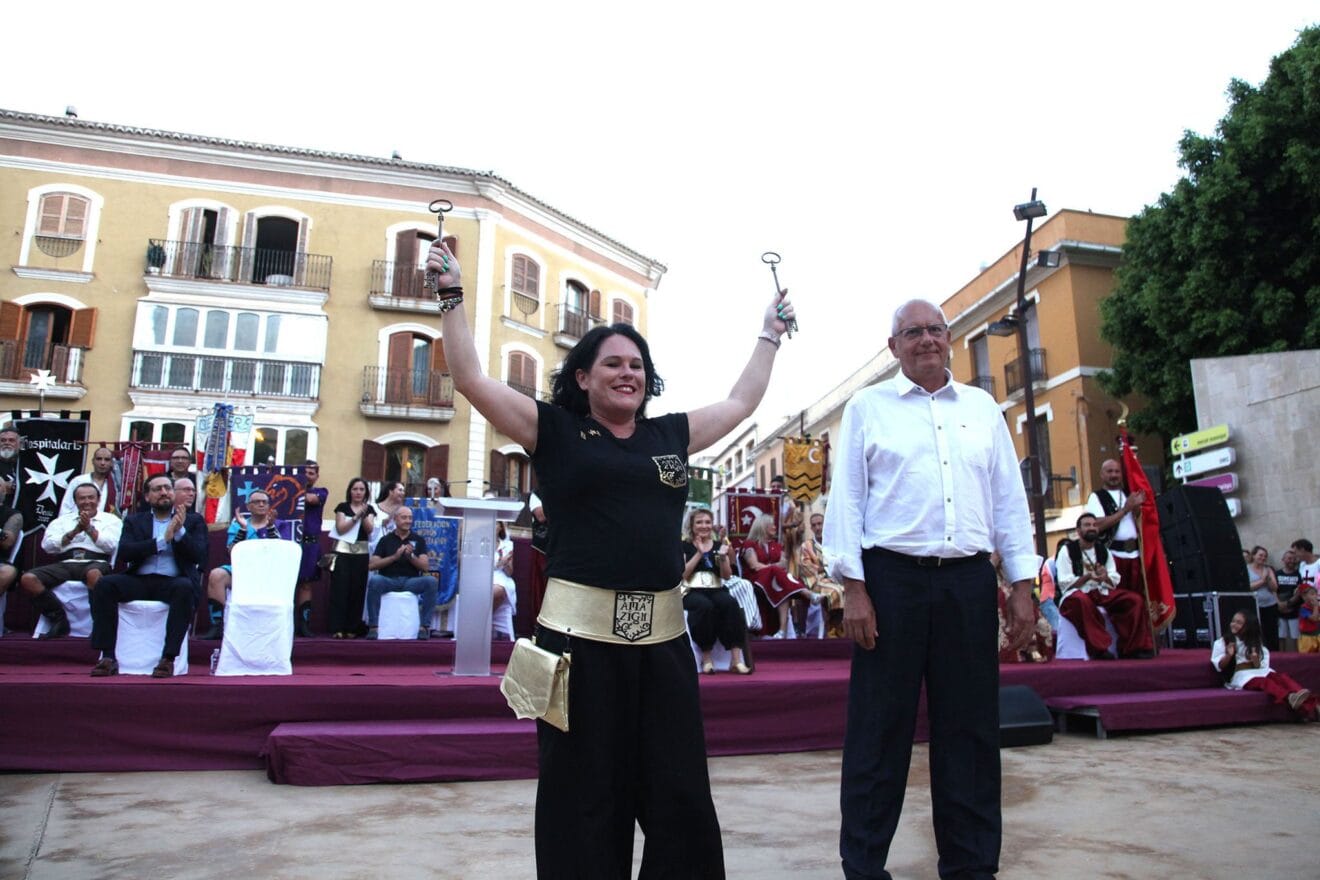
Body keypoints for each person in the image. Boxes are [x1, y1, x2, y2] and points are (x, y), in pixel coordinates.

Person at [425, 236, 793, 878]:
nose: (629, 373)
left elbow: (740, 403)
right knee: (583, 803)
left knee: (680, 799)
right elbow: (471, 379)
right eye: (614, 363)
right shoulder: (554, 430)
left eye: (638, 365)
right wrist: (452, 296)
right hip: (578, 649)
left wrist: (768, 335)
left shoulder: (669, 435)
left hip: (664, 649)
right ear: (583, 378)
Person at [822, 298, 1037, 880]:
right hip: (890, 582)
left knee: (969, 731)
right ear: (893, 347)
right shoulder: (868, 408)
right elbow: (847, 502)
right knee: (878, 730)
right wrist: (854, 589)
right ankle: (864, 866)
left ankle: (971, 866)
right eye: (912, 332)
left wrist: (1022, 583)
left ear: (949, 339)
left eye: (935, 330)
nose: (926, 340)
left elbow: (1009, 505)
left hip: (968, 582)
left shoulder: (983, 408)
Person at [89, 474, 208, 678]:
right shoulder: (135, 520)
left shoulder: (193, 520)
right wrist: (161, 542)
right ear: (147, 496)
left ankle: (168, 659)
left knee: (185, 588)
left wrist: (179, 533)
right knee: (105, 585)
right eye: (157, 489)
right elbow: (125, 552)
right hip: (140, 580)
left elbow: (199, 555)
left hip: (172, 582)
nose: (164, 492)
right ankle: (107, 657)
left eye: (167, 488)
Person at [21, 482, 122, 638]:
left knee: (94, 575)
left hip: (95, 562)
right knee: (28, 579)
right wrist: (74, 532)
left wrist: (89, 529)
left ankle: (99, 625)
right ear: (75, 501)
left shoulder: (111, 520)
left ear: (99, 499)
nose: (87, 501)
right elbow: (47, 546)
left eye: (91, 498)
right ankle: (58, 620)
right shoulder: (62, 521)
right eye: (82, 498)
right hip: (66, 563)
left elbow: (111, 545)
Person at [1053, 513, 1154, 660]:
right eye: (1087, 525)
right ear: (1079, 531)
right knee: (1082, 601)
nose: (1092, 528)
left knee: (1134, 600)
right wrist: (1088, 577)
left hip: (1100, 592)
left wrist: (1104, 576)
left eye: (1094, 525)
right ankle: (1099, 649)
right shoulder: (1067, 551)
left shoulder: (1103, 551)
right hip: (1075, 594)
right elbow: (1064, 583)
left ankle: (1133, 647)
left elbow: (1114, 579)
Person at [199, 489, 283, 640]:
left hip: (268, 573)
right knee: (216, 575)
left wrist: (270, 526)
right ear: (248, 506)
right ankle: (218, 625)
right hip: (241, 571)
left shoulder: (278, 524)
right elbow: (231, 552)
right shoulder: (238, 524)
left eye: (264, 502)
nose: (261, 505)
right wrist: (243, 529)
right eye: (257, 502)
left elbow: (277, 551)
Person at [1212, 610, 1319, 721]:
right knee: (1264, 682)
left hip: (1259, 671)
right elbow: (1219, 666)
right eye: (1233, 621)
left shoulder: (1256, 642)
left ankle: (1300, 696)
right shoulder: (1223, 642)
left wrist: (1255, 660)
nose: (1234, 624)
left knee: (1281, 678)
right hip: (1241, 675)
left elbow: (1261, 666)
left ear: (1248, 626)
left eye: (1239, 622)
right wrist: (1229, 655)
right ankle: (1292, 698)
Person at [682, 507, 750, 674]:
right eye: (699, 522)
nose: (704, 526)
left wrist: (723, 557)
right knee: (704, 607)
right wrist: (699, 553)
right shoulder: (684, 545)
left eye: (707, 522)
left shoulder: (719, 545)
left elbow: (727, 576)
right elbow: (682, 574)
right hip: (692, 590)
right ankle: (707, 659)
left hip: (716, 588)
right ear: (692, 525)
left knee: (730, 604)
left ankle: (735, 661)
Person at [1085, 458, 1150, 625]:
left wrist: (1137, 510)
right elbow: (1096, 525)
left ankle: (1141, 643)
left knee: (1139, 601)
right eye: (1110, 471)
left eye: (1117, 471)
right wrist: (1125, 510)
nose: (1114, 475)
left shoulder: (1129, 494)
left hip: (1135, 556)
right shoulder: (1096, 497)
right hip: (1114, 557)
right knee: (1121, 603)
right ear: (1102, 474)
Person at [743, 512, 819, 638]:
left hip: (774, 581)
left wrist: (774, 568)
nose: (774, 527)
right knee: (776, 573)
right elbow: (754, 566)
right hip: (756, 580)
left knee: (781, 585)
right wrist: (773, 567)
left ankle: (782, 630)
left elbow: (784, 564)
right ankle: (806, 593)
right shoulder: (750, 544)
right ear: (762, 526)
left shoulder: (776, 546)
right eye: (771, 525)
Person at [365, 506, 435, 640]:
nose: (408, 521)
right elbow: (372, 565)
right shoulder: (385, 540)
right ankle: (373, 626)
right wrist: (394, 557)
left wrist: (411, 557)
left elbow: (425, 567)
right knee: (375, 581)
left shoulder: (418, 540)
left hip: (411, 581)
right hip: (388, 580)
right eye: (404, 517)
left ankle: (424, 627)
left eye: (410, 518)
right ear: (396, 519)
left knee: (431, 581)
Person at [327, 477, 375, 639]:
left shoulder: (369, 509)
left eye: (361, 489)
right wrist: (355, 517)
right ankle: (337, 627)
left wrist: (363, 515)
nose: (358, 492)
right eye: (355, 489)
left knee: (357, 590)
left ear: (366, 492)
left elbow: (369, 530)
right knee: (340, 589)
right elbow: (341, 529)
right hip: (342, 553)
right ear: (350, 491)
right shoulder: (342, 507)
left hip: (361, 554)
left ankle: (352, 628)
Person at [294, 460, 328, 637]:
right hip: (290, 541)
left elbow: (311, 500)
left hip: (309, 542)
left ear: (316, 476)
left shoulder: (321, 492)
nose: (307, 476)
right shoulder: (288, 489)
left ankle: (304, 624)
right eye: (304, 472)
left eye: (311, 473)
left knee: (306, 585)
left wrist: (294, 486)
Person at [58, 446, 119, 517]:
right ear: (93, 461)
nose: (102, 463)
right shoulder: (79, 481)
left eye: (107, 460)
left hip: (103, 525)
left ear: (112, 463)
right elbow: (66, 508)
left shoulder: (115, 485)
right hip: (77, 524)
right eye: (99, 459)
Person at [1247, 546, 1280, 651]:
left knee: (1271, 631)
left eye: (1265, 556)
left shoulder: (1268, 569)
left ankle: (1273, 651)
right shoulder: (1246, 568)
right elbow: (1248, 587)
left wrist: (1268, 579)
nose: (1263, 558)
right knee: (1255, 630)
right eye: (1260, 555)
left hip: (1270, 604)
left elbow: (1274, 588)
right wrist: (1262, 580)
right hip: (1254, 605)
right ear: (1253, 555)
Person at [492, 520, 517, 639]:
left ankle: (481, 622)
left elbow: (510, 572)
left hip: (501, 576)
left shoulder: (508, 545)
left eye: (497, 523)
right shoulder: (480, 542)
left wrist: (506, 563)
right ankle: (485, 623)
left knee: (499, 591)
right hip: (483, 575)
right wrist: (498, 563)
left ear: (501, 527)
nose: (493, 525)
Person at [1275, 549, 1303, 652]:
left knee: (1296, 636)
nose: (1291, 561)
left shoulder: (1298, 574)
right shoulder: (1276, 573)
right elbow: (1273, 591)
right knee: (1281, 636)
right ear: (1283, 559)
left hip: (1294, 611)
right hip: (1279, 611)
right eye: (1289, 558)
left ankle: (1297, 658)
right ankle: (1281, 657)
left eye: (1294, 559)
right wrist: (1279, 604)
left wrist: (1288, 604)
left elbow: (1299, 592)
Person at [0, 426, 20, 505]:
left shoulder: (25, 463)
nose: (7, 443)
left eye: (11, 440)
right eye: (2, 440)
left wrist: (13, 486)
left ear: (19, 443)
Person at [1298, 584, 1320, 653]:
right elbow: (1314, 619)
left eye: (1315, 594)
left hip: (1318, 635)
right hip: (1307, 638)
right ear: (1304, 597)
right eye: (1311, 594)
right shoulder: (1303, 608)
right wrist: (1316, 606)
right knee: (1306, 658)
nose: (1314, 597)